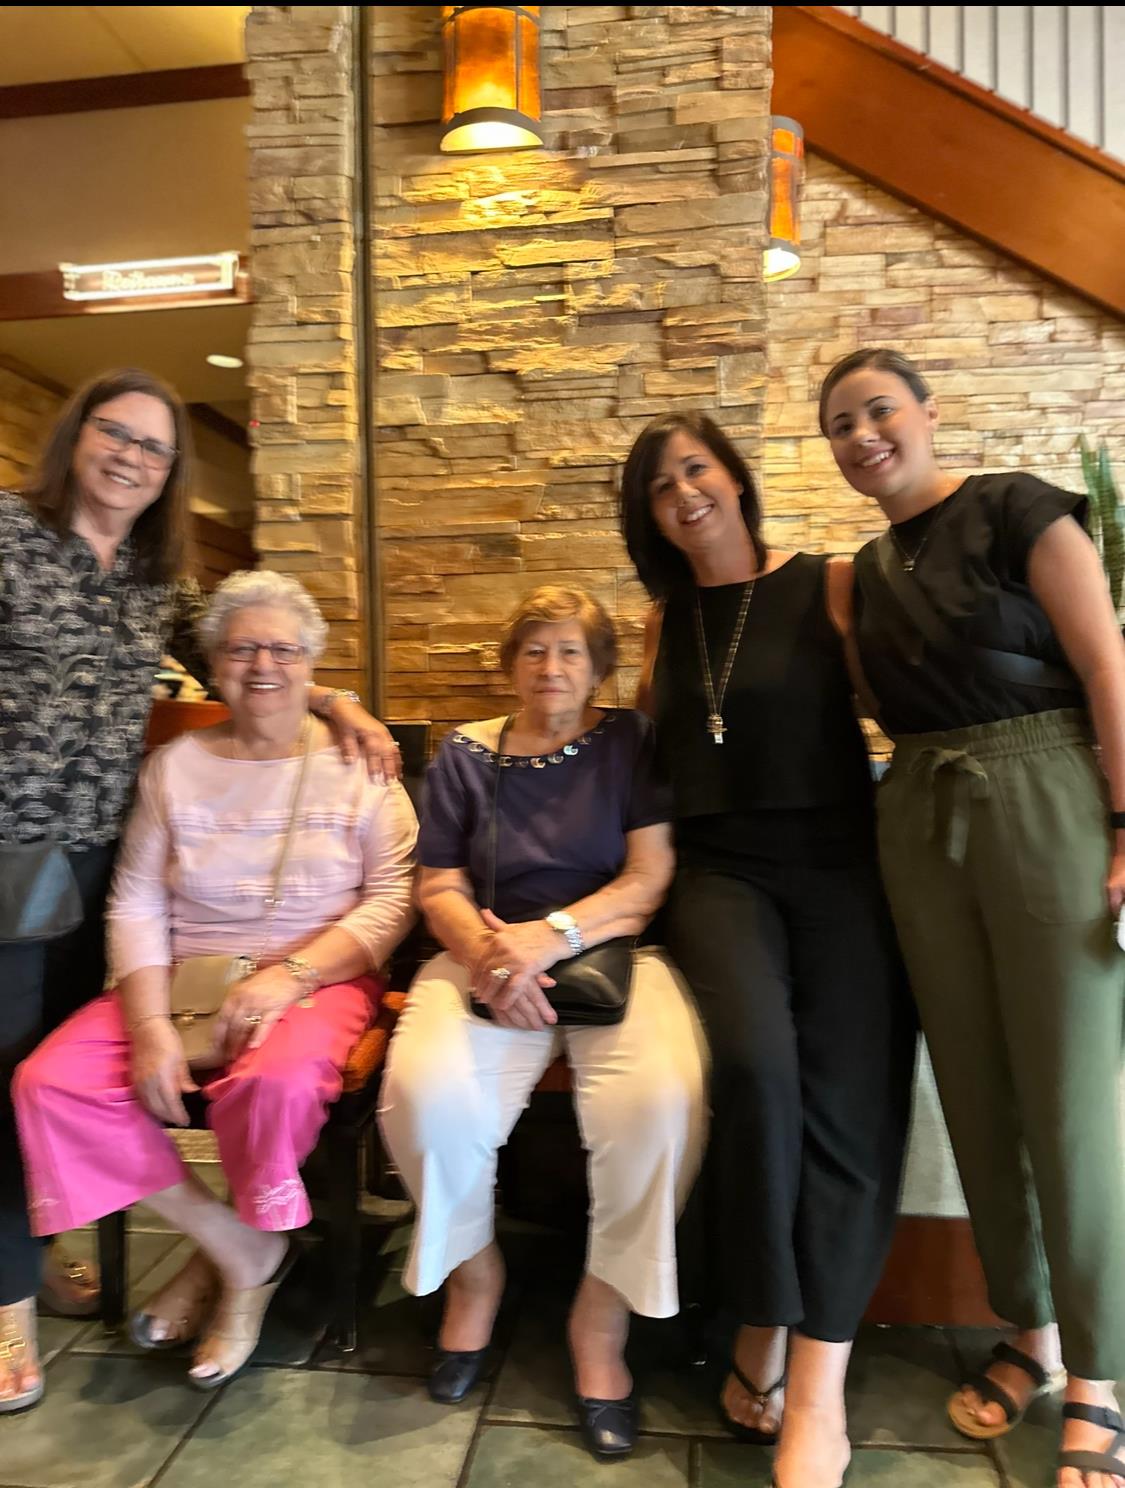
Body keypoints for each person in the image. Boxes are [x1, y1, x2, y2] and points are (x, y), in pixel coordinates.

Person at [0, 369, 403, 1412]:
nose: (132, 456)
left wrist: (346, 703)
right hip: (3, 856)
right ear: (74, 438)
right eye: (114, 433)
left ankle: (64, 1253)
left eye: (155, 446)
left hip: (91, 862)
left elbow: (253, 649)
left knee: (57, 1067)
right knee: (19, 1077)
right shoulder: (6, 536)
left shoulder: (149, 576)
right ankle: (16, 1301)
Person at [820, 347, 1125, 1488]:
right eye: (841, 423)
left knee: (1070, 1101)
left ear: (927, 414)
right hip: (923, 818)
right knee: (980, 1095)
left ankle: (1101, 1374)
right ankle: (1032, 1333)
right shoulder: (862, 569)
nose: (863, 437)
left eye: (879, 411)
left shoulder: (1019, 510)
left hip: (1046, 793)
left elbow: (1108, 669)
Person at [623, 413, 916, 1488]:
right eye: (661, 485)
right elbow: (632, 758)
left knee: (854, 1096)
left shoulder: (830, 584)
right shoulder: (662, 624)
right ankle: (760, 1313)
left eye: (697, 469)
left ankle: (819, 1392)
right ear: (648, 514)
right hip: (718, 875)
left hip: (843, 865)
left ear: (736, 480)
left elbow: (907, 705)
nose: (684, 492)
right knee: (755, 1066)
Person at [378, 584, 707, 1463]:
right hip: (483, 957)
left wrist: (547, 937)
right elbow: (437, 884)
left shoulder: (630, 744)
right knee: (423, 1092)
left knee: (662, 1102)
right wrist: (490, 955)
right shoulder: (463, 754)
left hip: (609, 957)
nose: (549, 667)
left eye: (568, 651)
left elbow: (647, 879)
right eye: (532, 649)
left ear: (599, 669)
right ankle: (474, 1277)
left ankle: (599, 1320)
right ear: (509, 663)